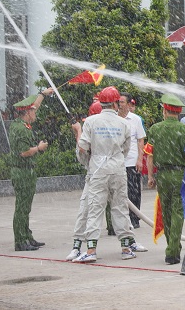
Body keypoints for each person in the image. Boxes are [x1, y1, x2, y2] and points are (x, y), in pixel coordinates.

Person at [74, 86, 147, 263]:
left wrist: (88, 161)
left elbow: (82, 147)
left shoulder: (91, 121)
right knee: (120, 208)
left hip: (98, 169)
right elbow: (126, 148)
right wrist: (116, 158)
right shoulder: (124, 123)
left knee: (95, 208)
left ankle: (91, 250)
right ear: (115, 103)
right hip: (118, 169)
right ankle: (126, 248)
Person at [145, 94, 185, 265]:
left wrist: (150, 176)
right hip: (180, 174)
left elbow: (149, 155)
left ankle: (172, 248)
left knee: (166, 211)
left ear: (165, 110)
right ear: (178, 112)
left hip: (162, 175)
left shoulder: (155, 129)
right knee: (178, 211)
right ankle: (173, 250)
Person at [9, 88, 53, 251]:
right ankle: (20, 240)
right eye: (33, 110)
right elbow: (24, 152)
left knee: (25, 206)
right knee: (22, 207)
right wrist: (39, 148)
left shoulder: (20, 123)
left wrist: (43, 94)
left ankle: (27, 236)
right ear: (27, 112)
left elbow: (35, 105)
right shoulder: (21, 129)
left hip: (26, 171)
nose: (36, 112)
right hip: (23, 172)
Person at [66, 101, 103, 261]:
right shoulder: (110, 126)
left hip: (95, 176)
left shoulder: (90, 127)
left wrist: (79, 131)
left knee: (88, 211)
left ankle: (81, 248)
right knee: (120, 211)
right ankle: (128, 246)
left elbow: (82, 154)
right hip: (111, 174)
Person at [117, 92, 146, 229]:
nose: (119, 104)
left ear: (129, 104)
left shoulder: (135, 120)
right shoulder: (113, 119)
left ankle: (135, 219)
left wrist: (140, 159)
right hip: (116, 162)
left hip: (132, 161)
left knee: (134, 192)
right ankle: (121, 220)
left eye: (122, 102)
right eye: (118, 102)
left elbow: (141, 140)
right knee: (118, 193)